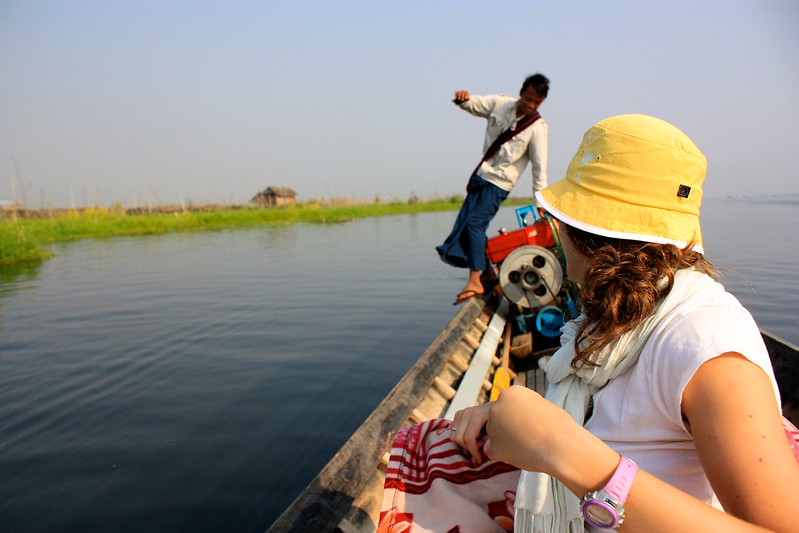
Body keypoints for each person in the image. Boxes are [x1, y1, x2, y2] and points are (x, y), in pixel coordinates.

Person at [450, 114, 799, 532]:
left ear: (583, 229)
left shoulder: (704, 341)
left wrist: (559, 447)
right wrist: (513, 419)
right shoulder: (617, 319)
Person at [437, 73, 549, 305]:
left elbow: (539, 168)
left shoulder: (537, 127)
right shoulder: (501, 104)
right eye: (529, 98)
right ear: (521, 93)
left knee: (475, 224)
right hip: (482, 175)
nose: (530, 105)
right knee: (465, 224)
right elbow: (475, 104)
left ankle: (475, 279)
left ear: (541, 103)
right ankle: (488, 272)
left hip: (500, 184)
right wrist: (463, 99)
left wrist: (540, 203)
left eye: (536, 102)